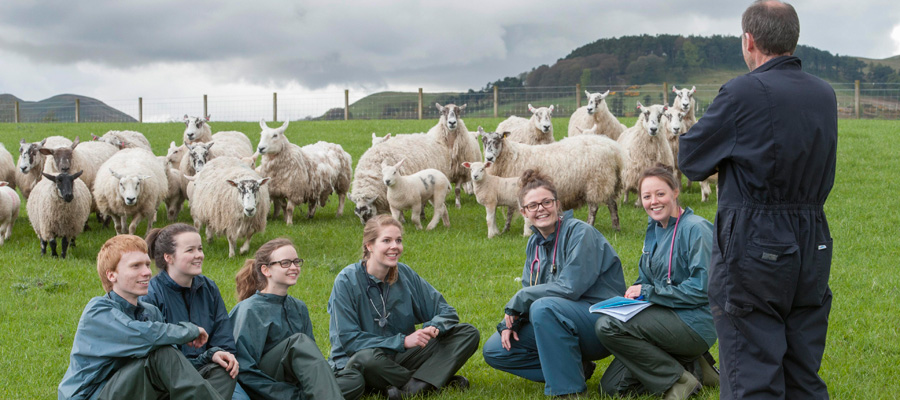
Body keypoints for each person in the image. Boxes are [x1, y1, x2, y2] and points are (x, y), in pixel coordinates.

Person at [678, 1, 837, 398]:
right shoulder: (824, 94)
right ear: (793, 39)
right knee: (802, 369)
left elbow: (692, 159)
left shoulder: (743, 92)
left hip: (756, 239)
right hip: (812, 237)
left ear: (749, 41)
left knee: (752, 370)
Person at [482, 169, 626, 397]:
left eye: (546, 202)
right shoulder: (534, 243)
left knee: (543, 306)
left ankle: (568, 391)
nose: (540, 209)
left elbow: (570, 288)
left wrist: (521, 299)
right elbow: (530, 289)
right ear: (524, 212)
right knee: (495, 350)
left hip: (600, 322)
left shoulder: (581, 233)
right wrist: (511, 323)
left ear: (558, 204)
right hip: (557, 319)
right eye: (533, 205)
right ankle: (574, 369)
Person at [594, 166, 718, 399]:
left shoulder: (696, 228)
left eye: (660, 194)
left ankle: (681, 381)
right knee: (611, 388)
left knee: (607, 326)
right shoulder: (654, 229)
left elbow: (704, 288)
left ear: (675, 192)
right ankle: (695, 367)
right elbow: (646, 279)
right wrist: (632, 297)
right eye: (647, 196)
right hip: (664, 316)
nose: (654, 202)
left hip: (695, 321)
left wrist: (650, 292)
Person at [328, 214, 480, 399]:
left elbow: (446, 311)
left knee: (467, 333)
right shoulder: (346, 280)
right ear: (369, 245)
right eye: (386, 240)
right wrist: (402, 341)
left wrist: (434, 327)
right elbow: (349, 341)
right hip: (360, 361)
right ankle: (428, 382)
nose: (395, 246)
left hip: (401, 357)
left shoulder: (405, 274)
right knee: (365, 359)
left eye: (398, 240)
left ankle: (410, 385)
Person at [58, 234, 223, 400]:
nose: (147, 272)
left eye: (147, 264)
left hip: (134, 389)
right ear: (111, 275)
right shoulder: (98, 311)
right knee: (162, 353)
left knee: (219, 369)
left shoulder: (150, 312)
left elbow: (174, 367)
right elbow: (142, 335)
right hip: (91, 395)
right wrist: (188, 331)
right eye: (135, 266)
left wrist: (208, 358)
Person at [229, 238, 365, 400]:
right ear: (266, 270)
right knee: (299, 342)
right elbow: (244, 371)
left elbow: (312, 361)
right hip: (264, 387)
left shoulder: (299, 307)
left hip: (298, 383)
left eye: (296, 261)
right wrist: (289, 395)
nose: (294, 267)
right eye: (285, 263)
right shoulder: (249, 309)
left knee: (353, 379)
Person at [140, 223, 240, 400]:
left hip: (206, 372)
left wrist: (220, 353)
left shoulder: (208, 288)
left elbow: (223, 337)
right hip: (170, 379)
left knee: (226, 369)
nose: (199, 255)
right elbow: (160, 356)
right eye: (190, 250)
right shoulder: (151, 294)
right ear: (169, 257)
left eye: (200, 249)